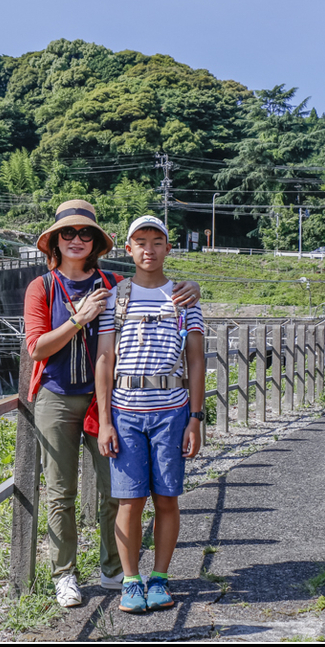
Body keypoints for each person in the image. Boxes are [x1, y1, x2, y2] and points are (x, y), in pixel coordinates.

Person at [24, 201, 201, 608]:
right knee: (60, 491)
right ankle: (64, 574)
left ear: (97, 242)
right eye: (67, 233)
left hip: (111, 401)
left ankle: (113, 570)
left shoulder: (113, 282)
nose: (76, 240)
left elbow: (153, 282)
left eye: (85, 233)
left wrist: (192, 287)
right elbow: (36, 348)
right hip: (58, 396)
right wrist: (79, 318)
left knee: (117, 491)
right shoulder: (43, 287)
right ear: (54, 240)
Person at [94, 215, 207, 614]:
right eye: (140, 241)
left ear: (168, 248)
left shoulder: (184, 298)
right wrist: (105, 421)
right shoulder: (115, 298)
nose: (148, 249)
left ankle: (159, 578)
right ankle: (130, 581)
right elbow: (105, 360)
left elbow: (196, 359)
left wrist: (196, 416)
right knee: (129, 501)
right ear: (128, 249)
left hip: (172, 412)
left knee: (167, 499)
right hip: (126, 411)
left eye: (157, 241)